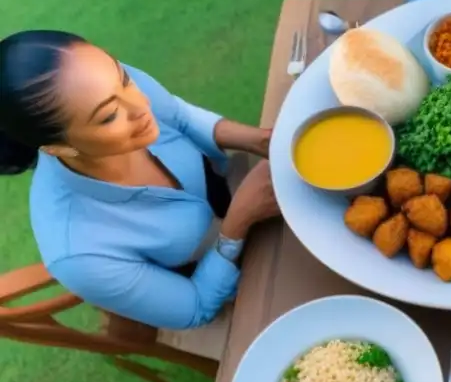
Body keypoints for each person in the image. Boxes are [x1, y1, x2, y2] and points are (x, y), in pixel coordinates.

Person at [0, 30, 281, 330]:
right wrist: (237, 223)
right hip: (226, 280)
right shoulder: (78, 254)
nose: (141, 104)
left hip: (240, 198)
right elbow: (196, 306)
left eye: (124, 79)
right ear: (59, 149)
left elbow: (180, 116)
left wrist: (260, 140)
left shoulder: (97, 83)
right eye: (109, 116)